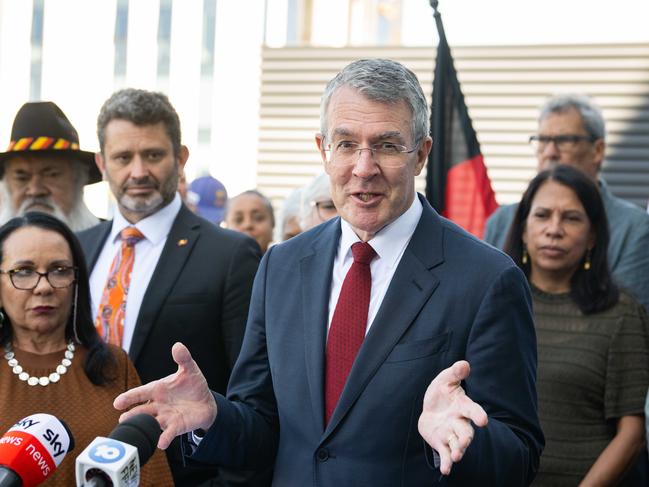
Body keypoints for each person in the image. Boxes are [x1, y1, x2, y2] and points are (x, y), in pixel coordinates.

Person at [114, 58, 543, 485]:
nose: (363, 167)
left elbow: (519, 458)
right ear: (323, 150)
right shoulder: (280, 266)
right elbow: (263, 430)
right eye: (346, 144)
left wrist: (461, 440)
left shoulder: (487, 279)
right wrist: (213, 417)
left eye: (387, 145)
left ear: (422, 155)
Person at [76, 88, 261, 486]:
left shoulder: (230, 255)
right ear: (102, 163)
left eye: (154, 155)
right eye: (124, 157)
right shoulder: (79, 248)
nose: (138, 171)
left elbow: (254, 397)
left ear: (181, 158)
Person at [0, 212, 172, 486]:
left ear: (77, 281)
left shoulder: (113, 366)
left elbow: (151, 475)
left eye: (59, 270)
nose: (43, 286)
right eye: (24, 271)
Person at [503, 165, 649, 486]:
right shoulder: (492, 305)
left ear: (593, 236)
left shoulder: (622, 314)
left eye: (571, 218)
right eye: (542, 215)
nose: (554, 229)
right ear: (524, 229)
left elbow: (633, 433)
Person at [484, 94, 649, 310]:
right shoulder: (502, 221)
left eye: (564, 141)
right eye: (542, 140)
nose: (551, 152)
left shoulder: (635, 228)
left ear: (598, 150)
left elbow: (628, 318)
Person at [0, 102, 101, 232]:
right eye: (22, 178)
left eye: (51, 175)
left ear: (78, 180)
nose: (35, 190)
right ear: (7, 186)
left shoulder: (110, 246)